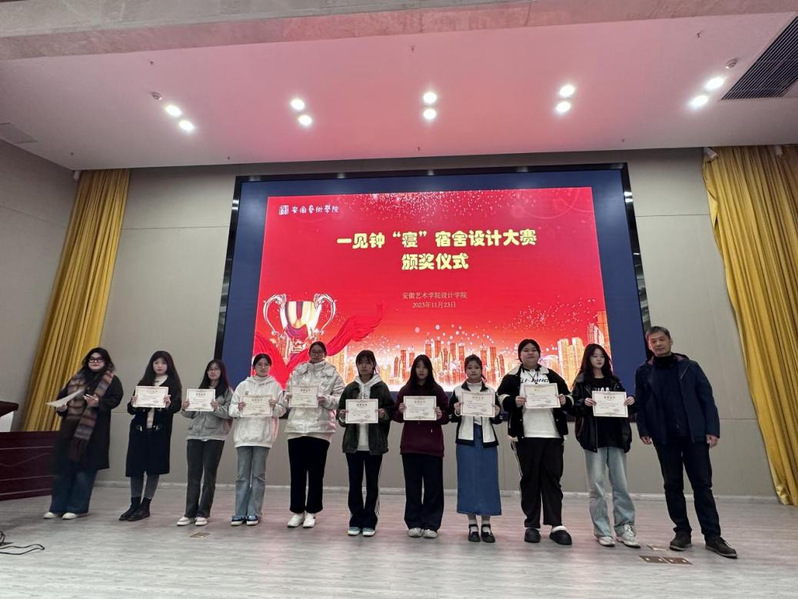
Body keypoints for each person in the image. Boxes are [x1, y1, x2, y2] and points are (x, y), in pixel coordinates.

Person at [635, 326, 737, 558]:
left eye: (662, 339)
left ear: (671, 341)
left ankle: (713, 536)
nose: (658, 344)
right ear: (649, 345)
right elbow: (641, 403)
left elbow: (707, 400)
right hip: (664, 438)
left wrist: (712, 429)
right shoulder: (643, 372)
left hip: (694, 436)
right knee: (672, 485)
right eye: (653, 341)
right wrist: (644, 429)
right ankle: (682, 532)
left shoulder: (690, 367)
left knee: (702, 486)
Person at [498, 338, 573, 545]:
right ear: (519, 355)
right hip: (525, 436)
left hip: (552, 435)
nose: (530, 353)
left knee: (552, 479)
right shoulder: (512, 376)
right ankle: (532, 524)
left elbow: (569, 397)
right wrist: (513, 401)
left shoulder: (551, 375)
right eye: (526, 350)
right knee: (529, 479)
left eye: (534, 350)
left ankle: (556, 524)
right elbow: (500, 397)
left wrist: (564, 400)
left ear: (539, 353)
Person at [572, 344, 639, 548]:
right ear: (588, 359)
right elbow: (573, 407)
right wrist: (583, 403)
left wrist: (631, 402)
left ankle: (625, 527)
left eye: (602, 356)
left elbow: (627, 408)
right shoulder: (581, 382)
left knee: (621, 486)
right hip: (594, 440)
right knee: (597, 487)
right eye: (594, 356)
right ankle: (602, 530)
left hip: (616, 438)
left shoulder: (614, 382)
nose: (599, 359)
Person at [44, 347, 123, 520]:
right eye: (91, 359)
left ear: (106, 362)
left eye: (99, 359)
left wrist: (98, 403)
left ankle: (76, 508)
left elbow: (115, 399)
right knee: (63, 470)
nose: (95, 362)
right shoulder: (76, 378)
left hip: (93, 433)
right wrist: (62, 408)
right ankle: (57, 507)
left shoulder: (112, 380)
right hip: (69, 431)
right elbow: (63, 397)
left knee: (84, 472)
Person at [282, 341, 345, 529]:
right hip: (296, 427)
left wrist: (325, 399)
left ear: (325, 353)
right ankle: (297, 511)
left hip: (320, 428)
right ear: (309, 353)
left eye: (319, 351)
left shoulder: (332, 373)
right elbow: (287, 394)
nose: (316, 354)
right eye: (313, 351)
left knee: (316, 473)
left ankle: (312, 511)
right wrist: (289, 397)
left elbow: (341, 398)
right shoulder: (298, 370)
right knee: (297, 472)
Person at [336, 350, 394, 537]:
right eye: (360, 362)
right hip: (353, 445)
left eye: (368, 362)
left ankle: (370, 520)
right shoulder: (350, 388)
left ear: (373, 365)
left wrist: (384, 413)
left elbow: (391, 411)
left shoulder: (381, 387)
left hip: (374, 445)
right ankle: (355, 520)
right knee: (354, 484)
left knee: (372, 484)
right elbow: (341, 413)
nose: (364, 366)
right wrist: (342, 415)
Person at [120, 350, 182, 522]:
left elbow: (176, 407)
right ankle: (134, 504)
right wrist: (133, 404)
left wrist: (167, 405)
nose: (159, 366)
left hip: (159, 432)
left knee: (154, 469)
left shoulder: (173, 384)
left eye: (163, 363)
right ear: (152, 365)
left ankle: (145, 505)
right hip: (139, 431)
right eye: (156, 363)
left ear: (168, 365)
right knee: (135, 468)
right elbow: (130, 409)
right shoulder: (144, 383)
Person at [393, 354, 450, 539]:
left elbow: (447, 416)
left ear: (430, 369)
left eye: (424, 367)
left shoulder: (437, 390)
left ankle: (432, 524)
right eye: (418, 366)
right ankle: (414, 523)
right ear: (413, 369)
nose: (421, 370)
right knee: (413, 487)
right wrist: (400, 411)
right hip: (410, 446)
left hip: (432, 447)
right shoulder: (406, 390)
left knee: (434, 488)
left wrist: (440, 414)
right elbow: (396, 416)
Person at [449, 354, 502, 543]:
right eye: (470, 368)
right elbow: (451, 417)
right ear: (465, 370)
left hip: (487, 439)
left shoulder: (491, 391)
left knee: (488, 481)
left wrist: (497, 413)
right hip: (466, 441)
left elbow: (498, 419)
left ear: (482, 370)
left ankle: (486, 524)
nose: (473, 371)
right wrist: (456, 410)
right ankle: (472, 524)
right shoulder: (457, 391)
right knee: (468, 480)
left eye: (476, 367)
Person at [228, 353, 286, 526]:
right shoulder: (243, 385)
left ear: (270, 367)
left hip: (263, 436)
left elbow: (282, 410)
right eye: (259, 364)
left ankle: (254, 512)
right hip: (244, 437)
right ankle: (239, 512)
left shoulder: (275, 386)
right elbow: (231, 410)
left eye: (266, 364)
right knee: (242, 476)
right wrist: (239, 408)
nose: (262, 367)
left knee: (258, 476)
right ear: (254, 367)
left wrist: (274, 406)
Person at [177, 359, 232, 526]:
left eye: (216, 369)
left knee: (209, 476)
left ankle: (203, 512)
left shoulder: (227, 391)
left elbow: (230, 413)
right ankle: (189, 512)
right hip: (194, 435)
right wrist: (185, 407)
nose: (213, 372)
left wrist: (216, 408)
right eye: (210, 369)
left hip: (215, 437)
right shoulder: (199, 391)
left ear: (222, 372)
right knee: (193, 475)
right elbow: (189, 415)